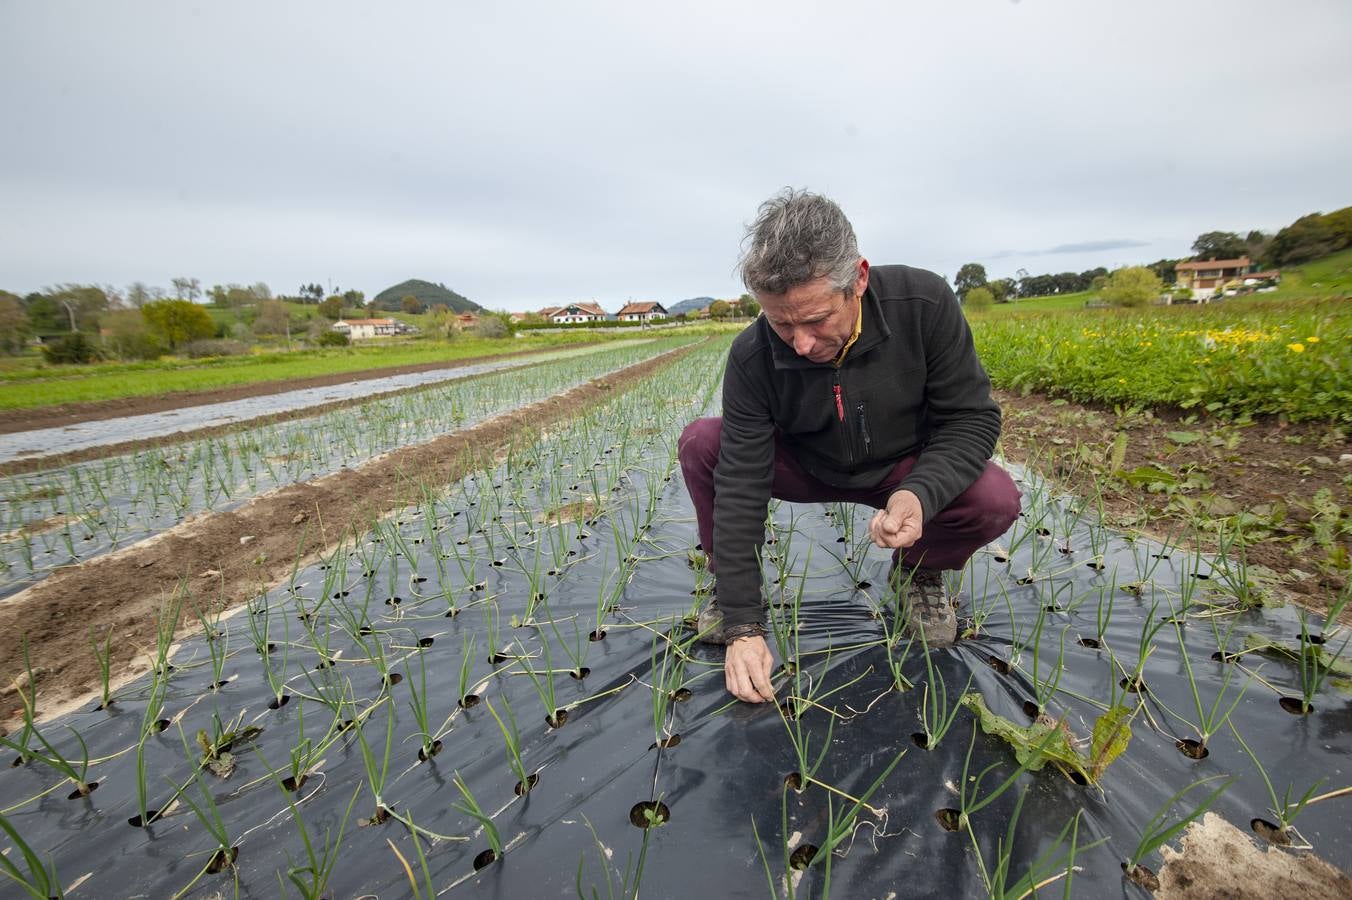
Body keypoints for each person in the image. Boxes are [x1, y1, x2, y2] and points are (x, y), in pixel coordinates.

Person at [678, 189, 1021, 704]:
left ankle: (919, 574)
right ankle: (727, 592)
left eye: (816, 320)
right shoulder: (752, 356)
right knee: (703, 442)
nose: (801, 343)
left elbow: (969, 419)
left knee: (994, 496)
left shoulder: (922, 305)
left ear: (858, 278)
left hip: (900, 467)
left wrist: (919, 495)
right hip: (805, 464)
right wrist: (744, 625)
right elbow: (742, 482)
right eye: (780, 322)